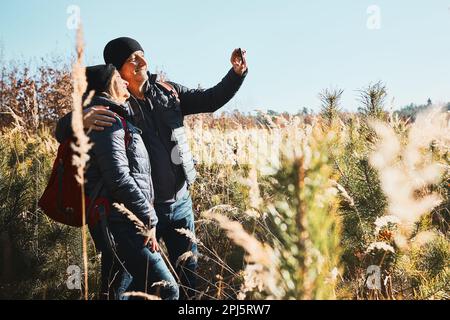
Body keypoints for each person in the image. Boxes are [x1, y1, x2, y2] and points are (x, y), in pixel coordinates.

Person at [56, 38, 248, 299]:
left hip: (181, 203)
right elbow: (62, 130)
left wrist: (236, 74)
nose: (142, 62)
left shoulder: (168, 92)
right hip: (144, 207)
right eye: (132, 59)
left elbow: (210, 100)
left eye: (142, 55)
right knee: (142, 284)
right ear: (116, 70)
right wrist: (79, 118)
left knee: (187, 276)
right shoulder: (114, 105)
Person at [59, 64, 179, 300]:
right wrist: (148, 219)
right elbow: (119, 178)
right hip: (121, 223)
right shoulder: (106, 120)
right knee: (167, 290)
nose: (125, 82)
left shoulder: (115, 116)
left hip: (116, 220)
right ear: (105, 86)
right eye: (118, 78)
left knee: (117, 291)